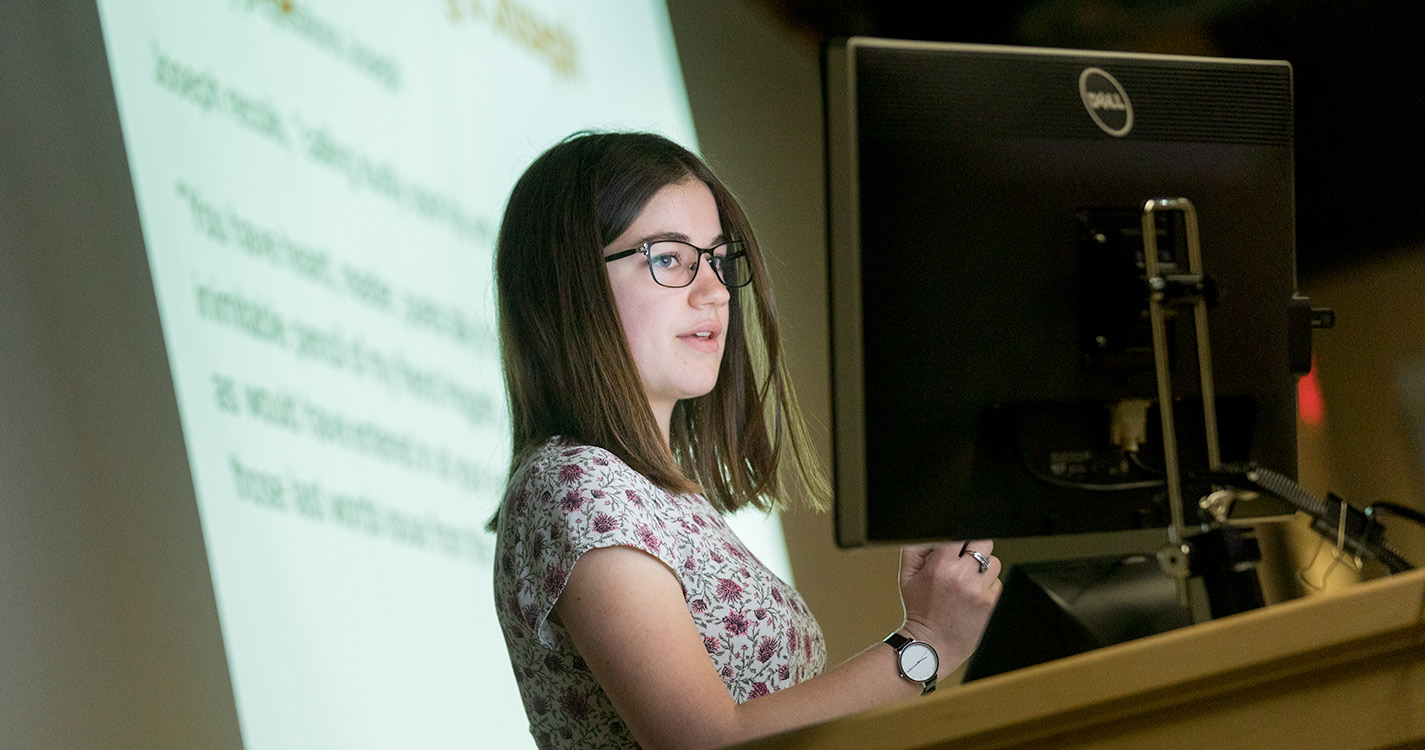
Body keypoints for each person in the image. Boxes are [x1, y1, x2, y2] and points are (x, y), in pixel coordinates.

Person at [491, 131, 1001, 750]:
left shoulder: (657, 496)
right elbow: (706, 742)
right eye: (669, 258)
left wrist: (927, 630)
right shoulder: (576, 482)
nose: (714, 291)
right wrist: (925, 644)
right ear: (570, 285)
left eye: (716, 259)